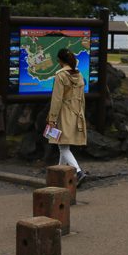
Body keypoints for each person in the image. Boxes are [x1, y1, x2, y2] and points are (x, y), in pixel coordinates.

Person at [47, 48, 88, 185]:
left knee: (63, 147)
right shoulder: (80, 75)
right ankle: (59, 177)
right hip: (77, 113)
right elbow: (82, 98)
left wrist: (52, 119)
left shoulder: (61, 75)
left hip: (64, 113)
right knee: (63, 146)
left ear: (60, 61)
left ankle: (78, 171)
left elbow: (57, 99)